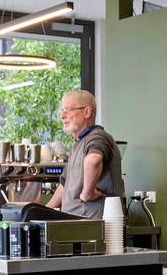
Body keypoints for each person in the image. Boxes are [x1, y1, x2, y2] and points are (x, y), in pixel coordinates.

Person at [45, 90, 124, 218]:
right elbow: (65, 185)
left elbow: (93, 160)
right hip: (76, 222)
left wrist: (87, 194)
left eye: (68, 110)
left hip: (93, 223)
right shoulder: (79, 143)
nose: (62, 116)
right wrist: (43, 212)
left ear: (87, 112)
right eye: (62, 111)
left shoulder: (97, 137)